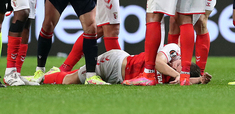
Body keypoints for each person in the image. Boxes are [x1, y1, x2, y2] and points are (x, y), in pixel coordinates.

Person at [43, 44, 212, 85]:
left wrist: (199, 80)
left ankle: (54, 72)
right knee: (70, 80)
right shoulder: (173, 50)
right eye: (180, 65)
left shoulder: (175, 80)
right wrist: (178, 75)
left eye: (181, 69)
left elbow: (186, 81)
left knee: (75, 78)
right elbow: (158, 62)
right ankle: (42, 79)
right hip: (115, 62)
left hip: (118, 78)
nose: (177, 65)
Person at [167, 0, 219, 75]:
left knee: (200, 21)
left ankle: (199, 72)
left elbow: (190, 18)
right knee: (173, 20)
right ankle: (172, 65)